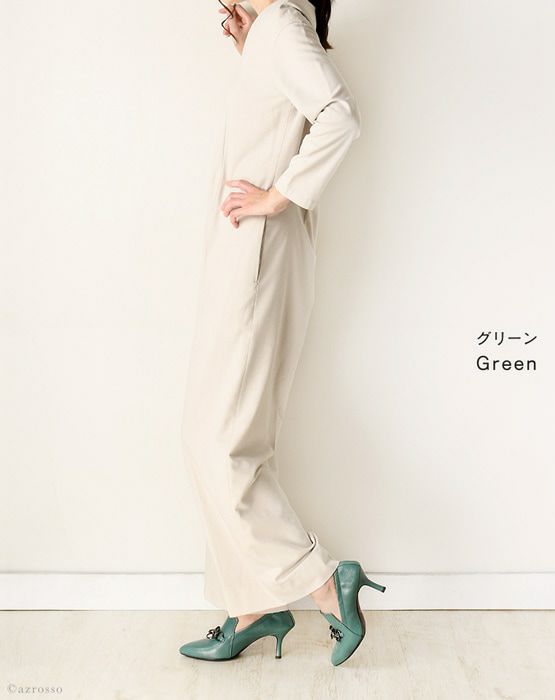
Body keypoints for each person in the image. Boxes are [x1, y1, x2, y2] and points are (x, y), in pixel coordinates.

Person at [178, 0, 386, 667]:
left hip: (258, 252)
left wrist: (279, 194)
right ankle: (252, 604)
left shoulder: (281, 27)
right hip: (251, 252)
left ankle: (324, 583)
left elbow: (339, 114)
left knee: (222, 443)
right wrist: (254, 56)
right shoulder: (271, 34)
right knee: (227, 436)